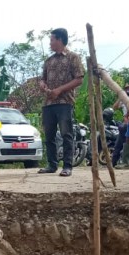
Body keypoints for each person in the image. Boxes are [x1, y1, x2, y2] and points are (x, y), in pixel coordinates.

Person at [37, 28, 85, 177]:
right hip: (49, 103)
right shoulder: (49, 60)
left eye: (51, 40)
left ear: (60, 40)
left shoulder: (73, 57)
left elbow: (79, 79)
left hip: (65, 102)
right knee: (49, 135)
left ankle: (68, 166)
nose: (50, 43)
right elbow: (42, 78)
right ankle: (52, 165)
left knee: (66, 134)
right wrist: (42, 85)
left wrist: (59, 90)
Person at [112, 83, 129, 167]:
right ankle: (114, 162)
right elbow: (115, 107)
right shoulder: (123, 99)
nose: (127, 90)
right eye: (126, 88)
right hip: (126, 121)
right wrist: (120, 97)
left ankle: (126, 161)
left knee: (125, 141)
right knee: (119, 143)